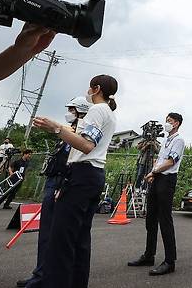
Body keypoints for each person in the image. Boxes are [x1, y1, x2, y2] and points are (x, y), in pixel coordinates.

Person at [31, 74, 118, 288]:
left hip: (82, 174)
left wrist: (57, 129)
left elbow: (86, 145)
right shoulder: (108, 112)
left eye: (89, 87)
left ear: (96, 88)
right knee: (79, 239)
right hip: (91, 176)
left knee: (61, 241)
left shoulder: (97, 110)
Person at [17, 96, 91, 288]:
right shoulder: (69, 131)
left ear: (80, 111)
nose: (69, 113)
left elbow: (74, 159)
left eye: (72, 109)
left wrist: (62, 185)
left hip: (62, 183)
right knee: (47, 234)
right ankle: (41, 273)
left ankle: (44, 277)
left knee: (54, 235)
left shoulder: (80, 132)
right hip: (55, 181)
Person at [128, 113, 185, 276]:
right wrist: (153, 173)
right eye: (166, 120)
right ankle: (149, 255)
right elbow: (160, 161)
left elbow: (170, 162)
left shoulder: (178, 140)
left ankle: (169, 261)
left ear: (177, 124)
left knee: (165, 220)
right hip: (158, 178)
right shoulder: (166, 140)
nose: (166, 123)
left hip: (167, 180)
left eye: (169, 121)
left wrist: (153, 171)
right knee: (150, 218)